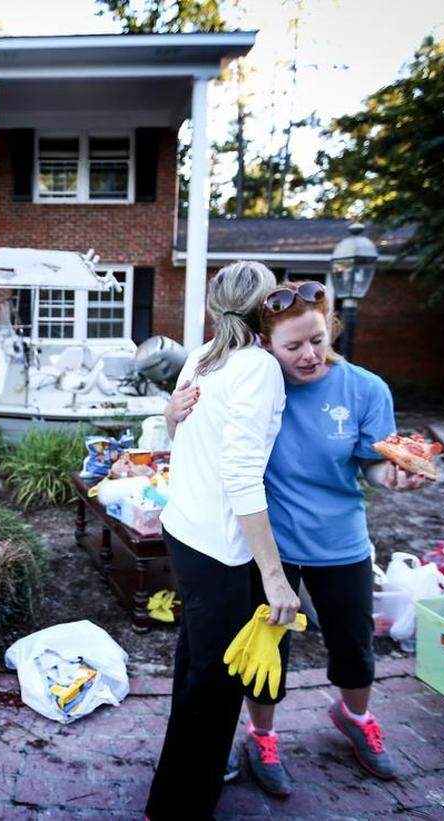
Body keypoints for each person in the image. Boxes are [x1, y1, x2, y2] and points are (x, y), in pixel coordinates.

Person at [166, 278, 425, 798]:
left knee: (354, 648)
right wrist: (172, 414)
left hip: (341, 541)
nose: (309, 355)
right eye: (293, 346)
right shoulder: (258, 382)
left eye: (318, 339)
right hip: (271, 548)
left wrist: (391, 477)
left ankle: (356, 717)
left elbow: (373, 464)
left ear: (330, 328)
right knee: (268, 658)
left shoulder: (367, 389)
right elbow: (214, 443)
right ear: (266, 344)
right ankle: (262, 738)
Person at [146, 261, 300, 821]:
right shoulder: (255, 366)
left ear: (215, 309)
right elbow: (240, 475)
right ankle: (180, 805)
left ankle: (176, 784)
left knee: (196, 668)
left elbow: (184, 435)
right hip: (216, 545)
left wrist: (168, 415)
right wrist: (275, 575)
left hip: (186, 531)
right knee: (216, 684)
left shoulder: (203, 356)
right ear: (264, 309)